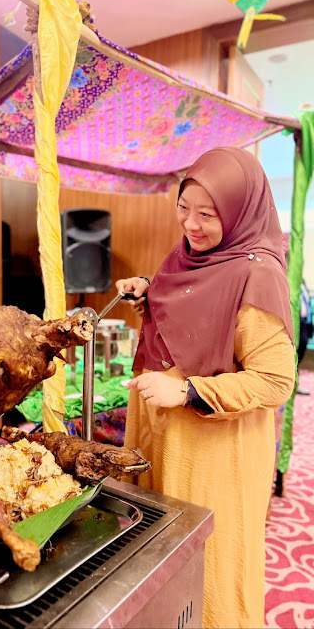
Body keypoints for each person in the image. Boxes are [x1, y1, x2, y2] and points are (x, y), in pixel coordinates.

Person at [116, 147, 295, 629]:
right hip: (163, 434)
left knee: (207, 567)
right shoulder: (189, 255)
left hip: (211, 449)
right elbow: (198, 316)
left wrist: (189, 392)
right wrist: (150, 292)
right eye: (184, 208)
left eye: (208, 214)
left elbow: (276, 379)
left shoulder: (258, 273)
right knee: (158, 557)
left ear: (239, 212)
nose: (191, 225)